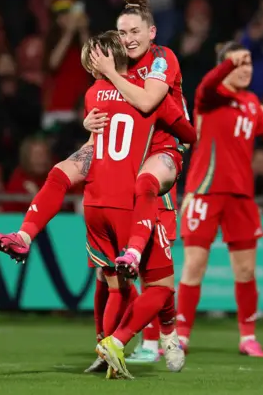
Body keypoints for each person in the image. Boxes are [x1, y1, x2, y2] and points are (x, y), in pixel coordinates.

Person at [0, 0, 187, 365]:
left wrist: (107, 78)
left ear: (151, 34)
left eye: (133, 33)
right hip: (123, 170)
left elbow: (147, 102)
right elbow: (129, 106)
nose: (127, 40)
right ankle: (119, 341)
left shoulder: (159, 60)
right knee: (129, 275)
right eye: (122, 33)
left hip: (156, 157)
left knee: (141, 273)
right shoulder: (114, 77)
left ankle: (165, 334)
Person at [73, 31, 189, 379]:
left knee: (113, 280)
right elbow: (186, 131)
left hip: (102, 197)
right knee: (158, 282)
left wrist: (87, 124)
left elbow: (98, 142)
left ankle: (139, 340)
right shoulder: (143, 89)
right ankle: (131, 340)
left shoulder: (102, 91)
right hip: (141, 198)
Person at [176, 43, 263, 357]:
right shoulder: (210, 97)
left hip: (241, 197)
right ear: (226, 66)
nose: (246, 69)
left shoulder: (250, 102)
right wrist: (229, 62)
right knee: (194, 267)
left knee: (245, 271)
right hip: (205, 191)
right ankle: (181, 336)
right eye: (239, 63)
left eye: (249, 64)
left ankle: (248, 337)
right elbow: (205, 84)